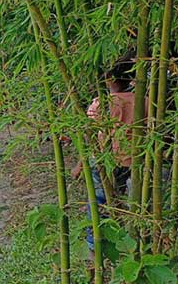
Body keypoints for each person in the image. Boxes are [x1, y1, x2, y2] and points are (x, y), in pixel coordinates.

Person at [71, 58, 145, 254]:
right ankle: (129, 244)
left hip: (103, 162)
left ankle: (94, 246)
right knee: (128, 203)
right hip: (134, 161)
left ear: (107, 80)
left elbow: (91, 138)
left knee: (97, 203)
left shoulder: (100, 103)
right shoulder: (144, 101)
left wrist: (79, 165)